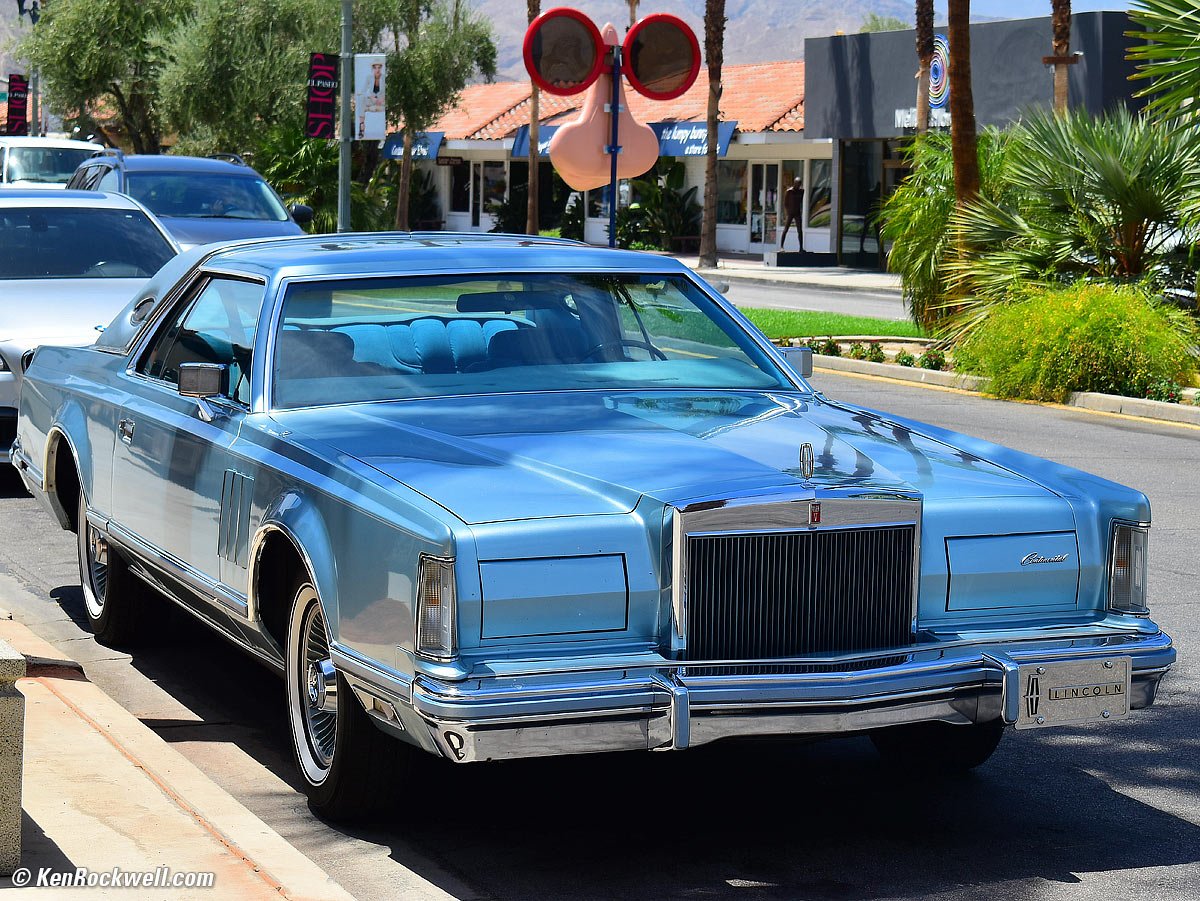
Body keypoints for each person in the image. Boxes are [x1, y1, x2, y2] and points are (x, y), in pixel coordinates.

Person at [780, 177, 803, 251]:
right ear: (794, 183)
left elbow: (800, 201)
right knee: (786, 229)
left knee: (800, 230)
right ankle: (781, 246)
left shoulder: (801, 191)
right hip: (790, 213)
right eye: (797, 184)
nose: (798, 186)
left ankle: (801, 247)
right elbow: (785, 203)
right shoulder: (789, 191)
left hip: (797, 212)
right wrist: (787, 212)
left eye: (799, 184)